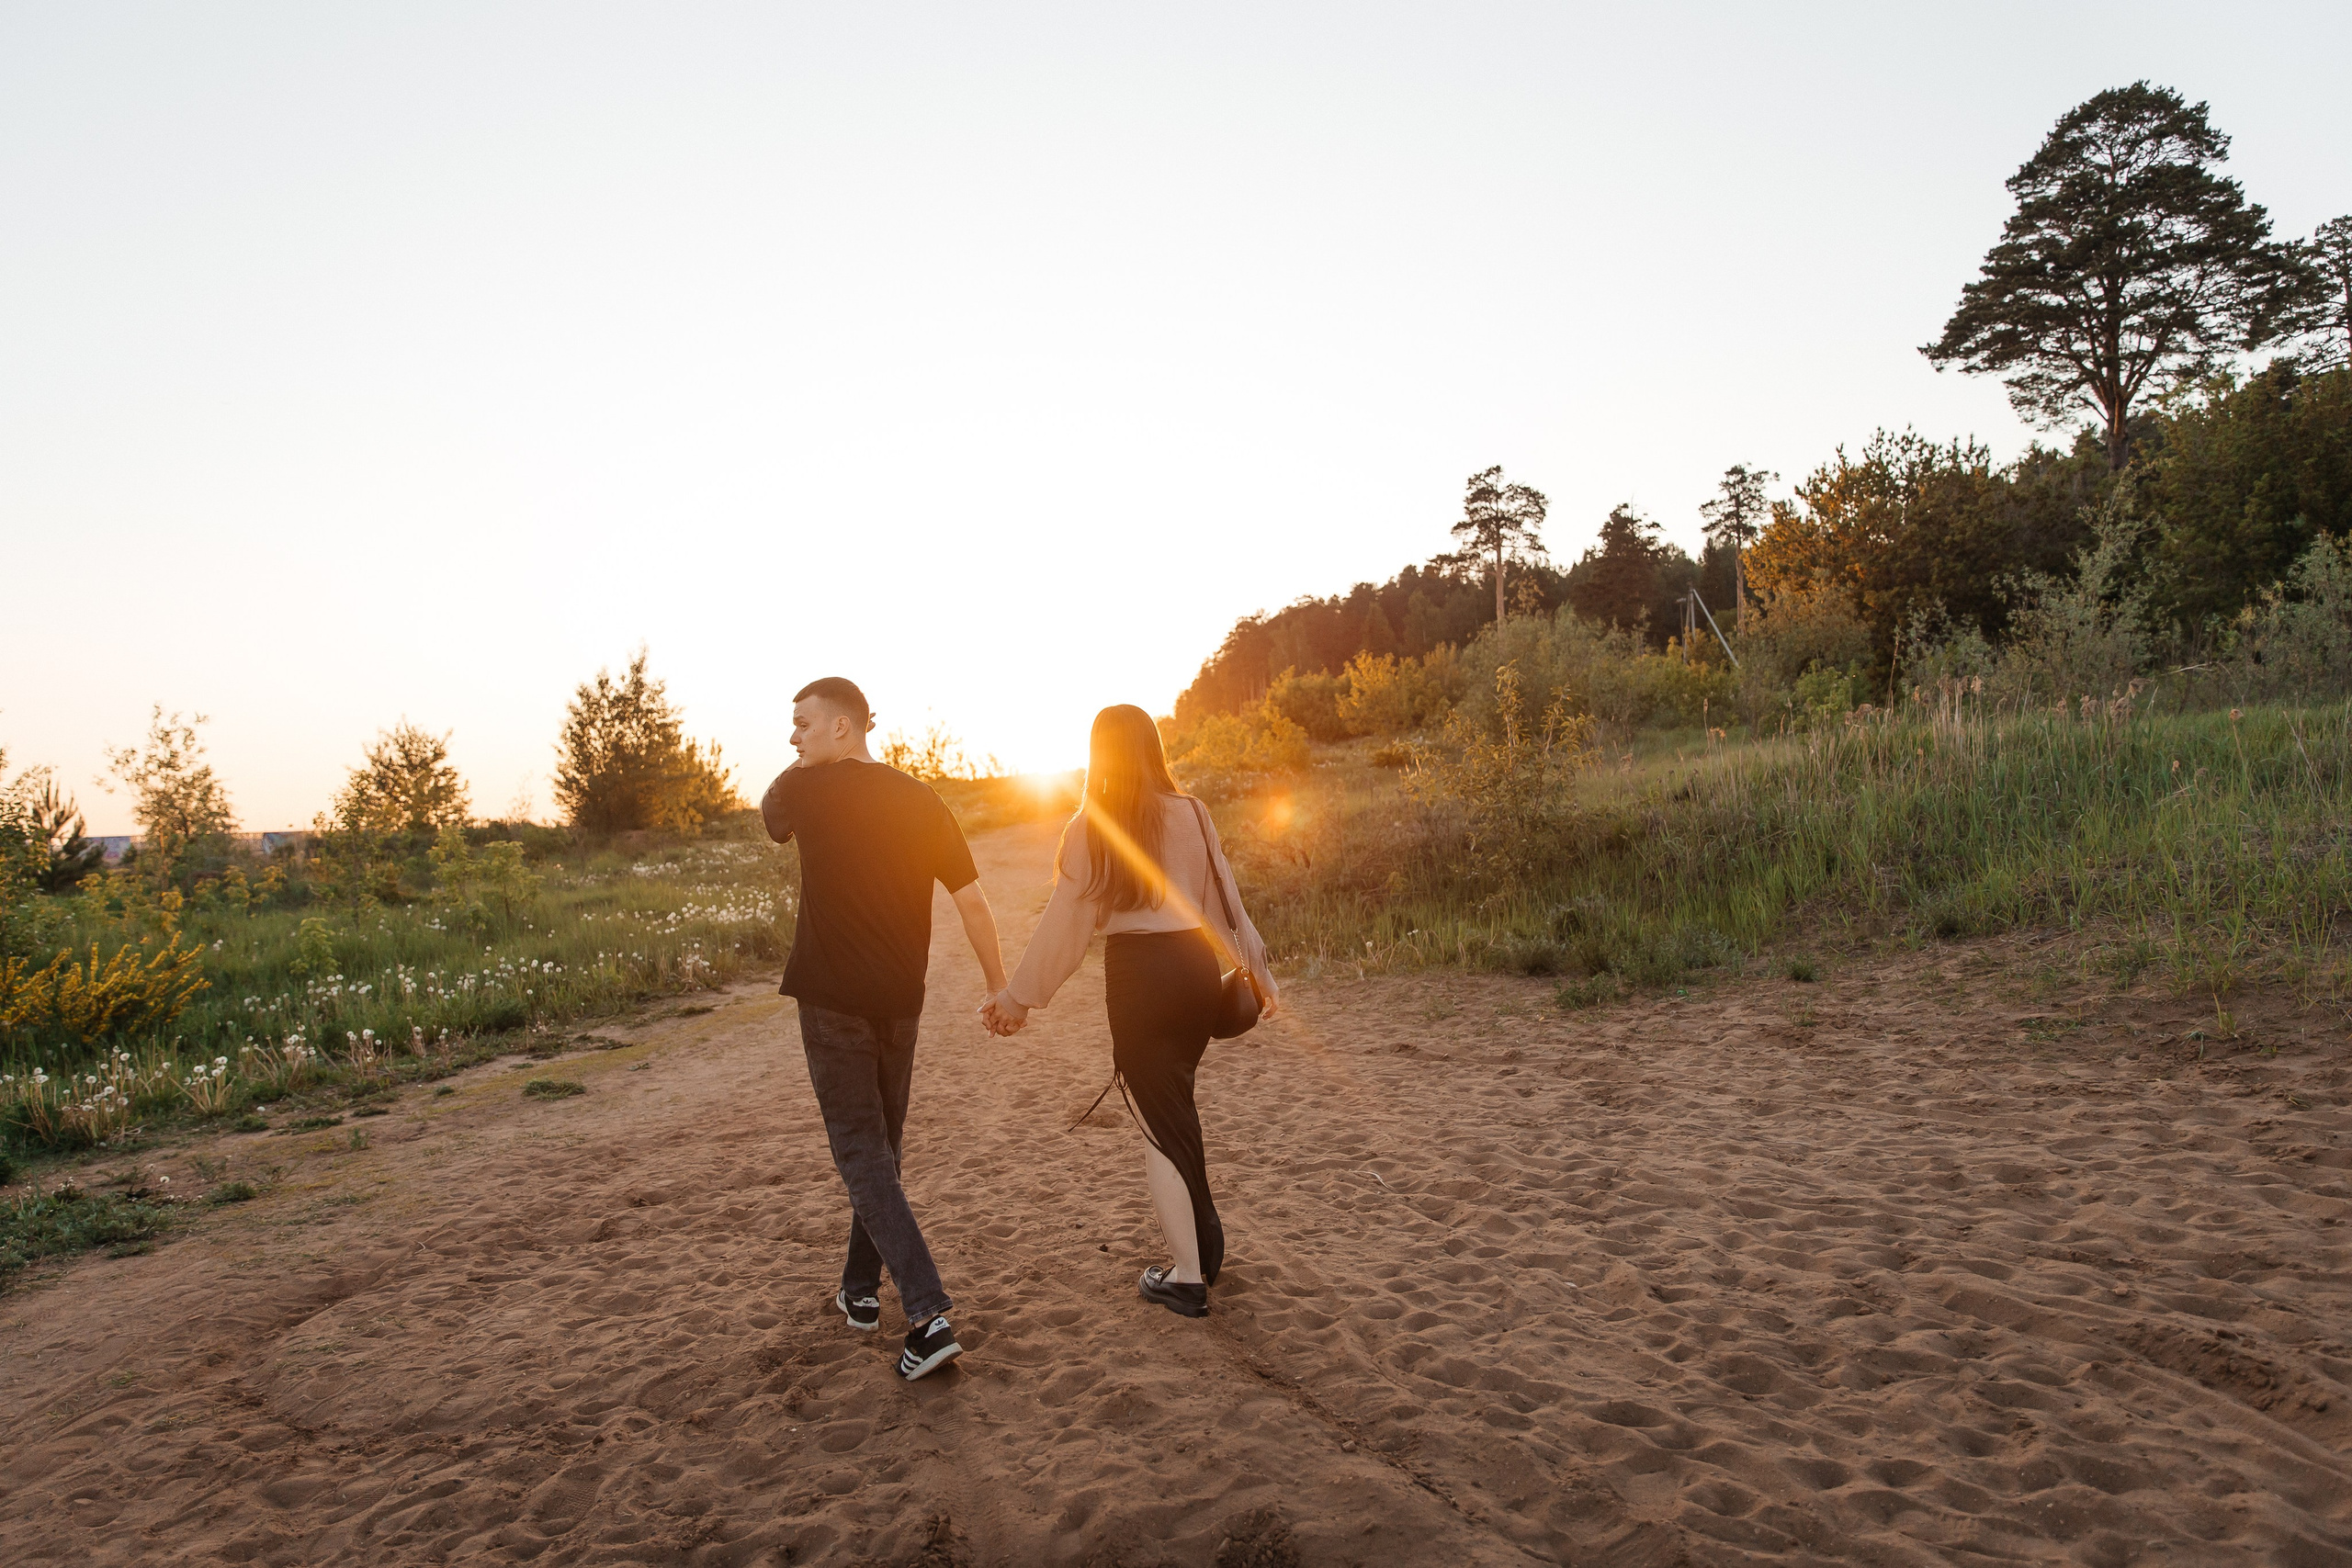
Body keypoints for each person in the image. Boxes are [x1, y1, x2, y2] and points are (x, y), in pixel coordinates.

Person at [980, 705, 1277, 1318]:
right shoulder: (1193, 811)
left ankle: (1188, 1276)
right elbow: (1228, 899)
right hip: (1195, 970)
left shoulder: (1092, 825)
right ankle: (1204, 1249)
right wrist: (1258, 966)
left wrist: (1018, 999)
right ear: (1153, 748)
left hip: (1140, 980)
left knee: (1157, 1124)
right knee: (1176, 1108)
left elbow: (1064, 927)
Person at [762, 676, 1011, 1381]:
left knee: (863, 1154)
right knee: (882, 1154)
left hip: (834, 1001)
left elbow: (768, 811)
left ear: (845, 728)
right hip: (902, 1001)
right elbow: (974, 901)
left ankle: (928, 1314)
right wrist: (997, 983)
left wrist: (803, 765)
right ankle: (859, 1290)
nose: (793, 737)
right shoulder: (922, 797)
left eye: (803, 724)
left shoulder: (807, 787)